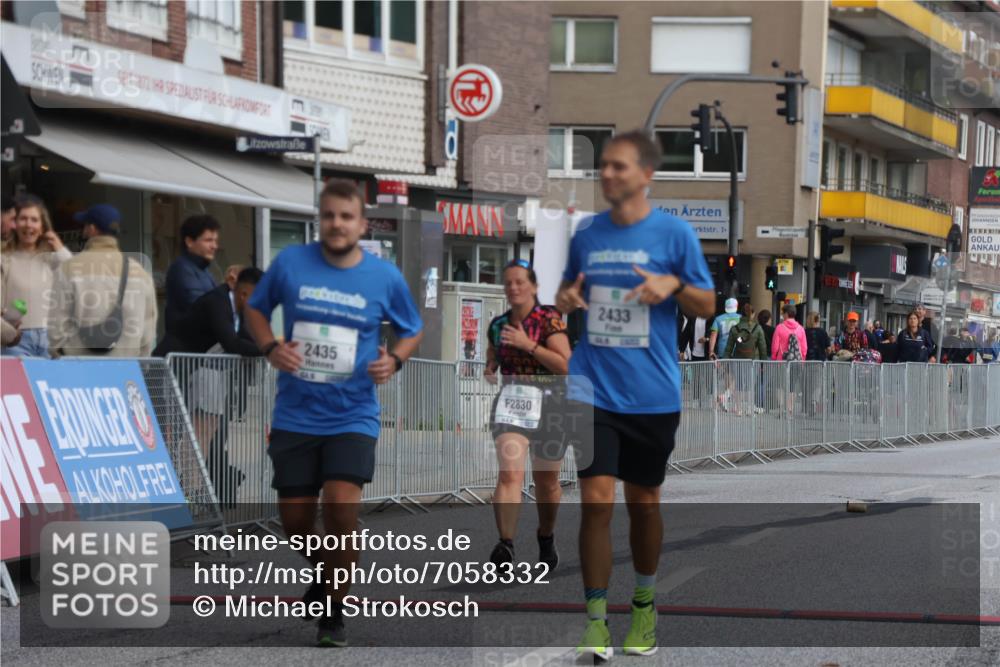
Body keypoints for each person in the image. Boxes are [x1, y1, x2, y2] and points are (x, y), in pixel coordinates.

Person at [555, 130, 715, 660]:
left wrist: (672, 286)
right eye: (603, 166)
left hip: (651, 394)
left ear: (646, 174)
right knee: (596, 502)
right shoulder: (587, 234)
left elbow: (707, 304)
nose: (607, 175)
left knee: (643, 504)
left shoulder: (675, 235)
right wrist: (567, 298)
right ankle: (596, 620)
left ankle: (644, 606)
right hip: (593, 387)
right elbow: (566, 294)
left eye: (619, 167)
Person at [243, 180, 423, 648]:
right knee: (297, 524)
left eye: (346, 216)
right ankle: (328, 575)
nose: (337, 224)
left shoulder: (383, 276)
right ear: (318, 219)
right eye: (329, 215)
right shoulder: (290, 264)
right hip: (295, 416)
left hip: (353, 415)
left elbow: (412, 328)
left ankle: (334, 613)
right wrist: (269, 346)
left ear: (362, 224)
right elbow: (256, 310)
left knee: (341, 511)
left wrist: (396, 359)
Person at [484, 258, 572, 570]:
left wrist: (528, 345)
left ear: (533, 286)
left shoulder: (548, 320)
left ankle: (545, 536)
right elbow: (493, 352)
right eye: (508, 282)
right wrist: (490, 367)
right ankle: (505, 544)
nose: (514, 287)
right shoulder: (497, 325)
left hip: (550, 405)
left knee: (546, 482)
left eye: (520, 281)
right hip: (513, 403)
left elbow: (566, 365)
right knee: (509, 474)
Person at [161, 267, 264, 505]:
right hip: (190, 370)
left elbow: (246, 339)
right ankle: (181, 490)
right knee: (188, 432)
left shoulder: (241, 309)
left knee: (205, 432)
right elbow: (232, 342)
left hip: (209, 373)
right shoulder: (217, 302)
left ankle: (193, 490)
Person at [47, 204, 157, 358]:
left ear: (92, 229)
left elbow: (56, 325)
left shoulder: (68, 268)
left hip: (79, 370)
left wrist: (61, 352)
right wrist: (140, 360)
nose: (83, 230)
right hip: (125, 369)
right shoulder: (140, 273)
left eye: (84, 225)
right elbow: (147, 331)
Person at [1, 195, 72, 357]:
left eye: (34, 219)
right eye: (23, 219)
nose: (28, 224)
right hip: (16, 341)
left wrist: (60, 248)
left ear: (42, 226)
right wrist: (8, 333)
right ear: (15, 224)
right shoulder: (4, 259)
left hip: (51, 341)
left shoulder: (52, 258)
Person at [162, 214, 219, 338]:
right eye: (208, 240)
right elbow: (200, 307)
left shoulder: (204, 271)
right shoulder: (182, 269)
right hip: (185, 349)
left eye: (215, 241)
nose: (214, 246)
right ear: (189, 241)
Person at [723, 303, 766, 416]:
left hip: (738, 361)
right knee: (751, 385)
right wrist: (764, 363)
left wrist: (724, 360)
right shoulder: (758, 328)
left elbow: (729, 347)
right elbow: (762, 348)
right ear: (752, 314)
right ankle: (749, 409)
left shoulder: (735, 329)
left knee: (739, 385)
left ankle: (738, 409)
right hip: (753, 361)